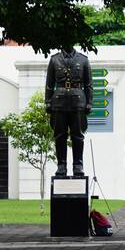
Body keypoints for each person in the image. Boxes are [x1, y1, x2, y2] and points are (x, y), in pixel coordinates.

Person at [45, 45, 93, 178]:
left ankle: (78, 165)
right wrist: (48, 101)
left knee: (77, 135)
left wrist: (89, 102)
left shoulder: (83, 60)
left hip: (78, 101)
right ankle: (61, 165)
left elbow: (88, 84)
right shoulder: (54, 59)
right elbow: (49, 83)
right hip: (59, 101)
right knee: (60, 135)